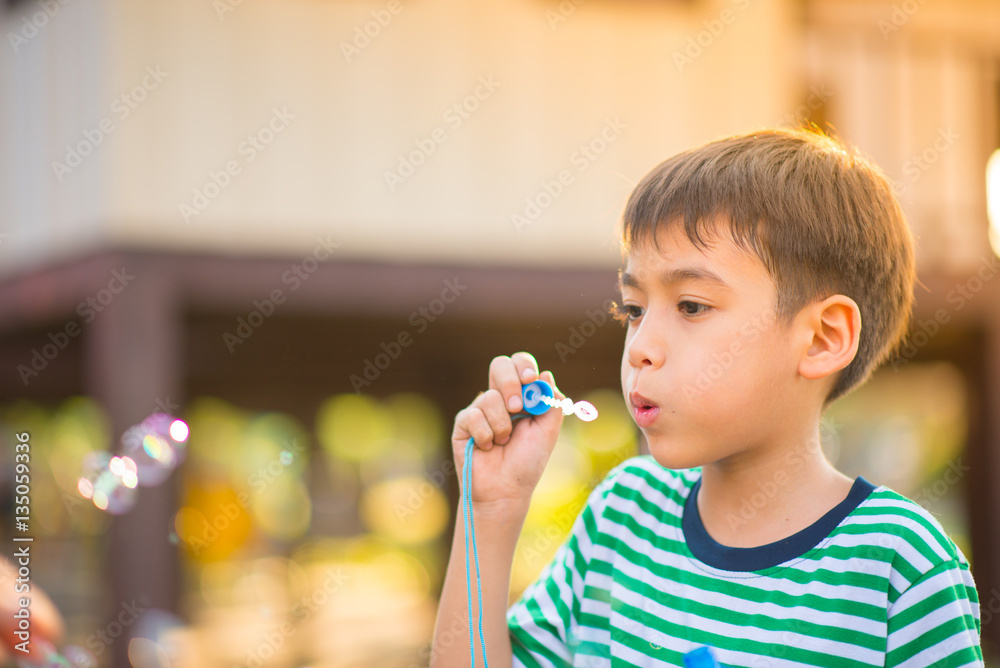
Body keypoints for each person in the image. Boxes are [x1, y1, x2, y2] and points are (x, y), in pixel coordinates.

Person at [430, 128, 983, 667]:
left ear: (821, 338)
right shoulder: (623, 517)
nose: (640, 347)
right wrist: (491, 509)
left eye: (691, 306)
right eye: (633, 309)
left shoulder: (898, 567)